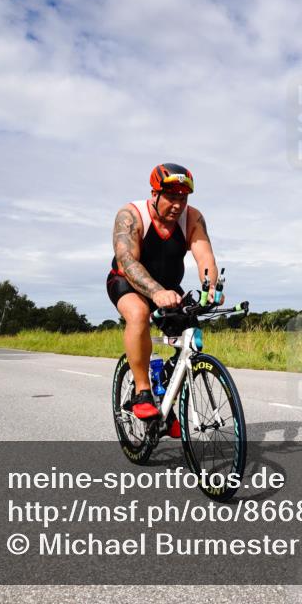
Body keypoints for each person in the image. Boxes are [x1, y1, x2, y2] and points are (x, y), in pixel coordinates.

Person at [106, 163, 220, 421]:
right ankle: (142, 391)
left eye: (183, 198)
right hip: (126, 282)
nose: (178, 205)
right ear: (154, 194)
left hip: (169, 288)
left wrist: (210, 287)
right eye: (171, 197)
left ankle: (168, 403)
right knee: (138, 312)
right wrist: (156, 291)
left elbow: (206, 260)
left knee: (192, 340)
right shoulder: (131, 215)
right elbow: (127, 262)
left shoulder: (193, 218)